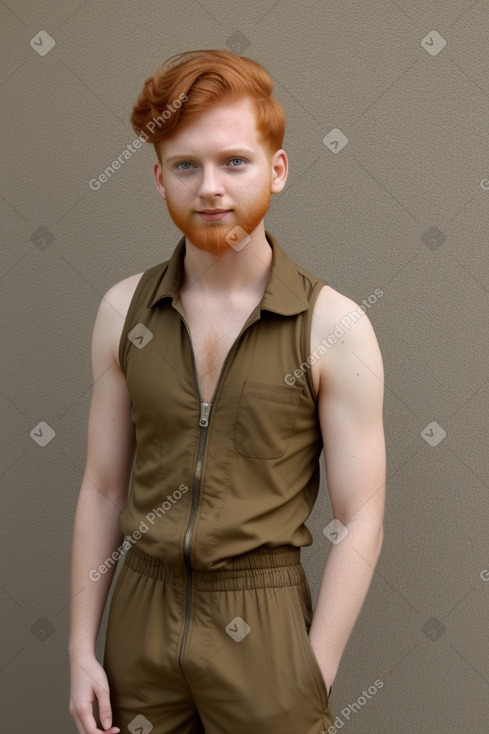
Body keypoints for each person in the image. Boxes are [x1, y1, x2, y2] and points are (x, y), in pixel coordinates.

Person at [68, 49, 386, 734]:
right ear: (158, 179)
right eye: (186, 165)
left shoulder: (333, 327)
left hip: (263, 621)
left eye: (234, 162)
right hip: (138, 618)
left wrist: (313, 669)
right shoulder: (122, 312)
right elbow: (101, 487)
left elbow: (360, 514)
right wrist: (78, 649)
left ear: (276, 170)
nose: (210, 187)